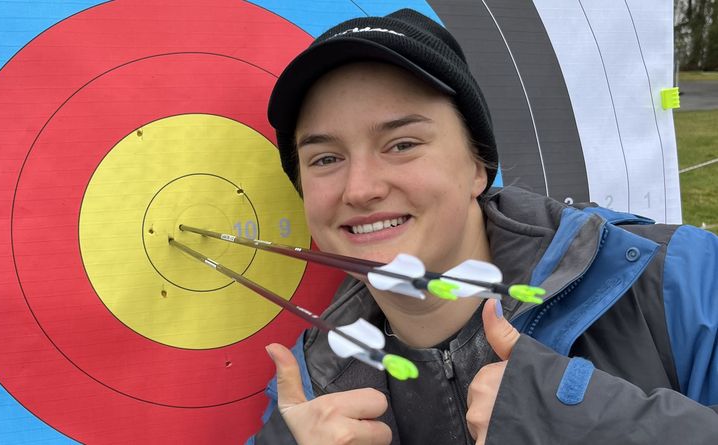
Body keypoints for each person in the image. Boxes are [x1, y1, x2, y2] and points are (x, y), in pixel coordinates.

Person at [248, 8, 718, 445]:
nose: (360, 189)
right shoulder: (311, 396)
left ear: (478, 167)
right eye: (326, 158)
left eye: (402, 144)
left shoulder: (678, 280)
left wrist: (590, 426)